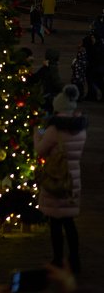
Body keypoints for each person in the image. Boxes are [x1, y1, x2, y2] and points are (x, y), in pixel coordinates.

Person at [34, 84, 87, 274]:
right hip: (72, 177)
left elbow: (41, 150)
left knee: (55, 222)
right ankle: (75, 259)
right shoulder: (81, 127)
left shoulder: (54, 129)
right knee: (69, 221)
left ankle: (57, 259)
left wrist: (37, 135)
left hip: (56, 176)